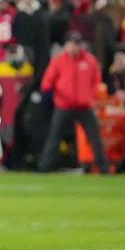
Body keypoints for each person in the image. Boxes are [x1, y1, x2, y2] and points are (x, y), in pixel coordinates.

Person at [38, 31, 109, 174]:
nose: (74, 47)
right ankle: (44, 167)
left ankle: (103, 168)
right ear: (66, 45)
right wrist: (52, 96)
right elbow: (47, 82)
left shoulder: (90, 61)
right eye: (71, 43)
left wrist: (90, 95)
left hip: (84, 106)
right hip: (64, 105)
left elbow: (96, 81)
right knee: (54, 138)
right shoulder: (58, 61)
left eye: (77, 43)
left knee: (95, 137)